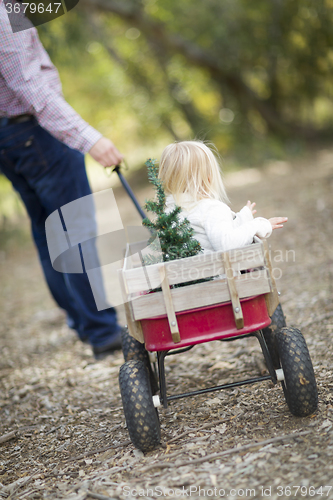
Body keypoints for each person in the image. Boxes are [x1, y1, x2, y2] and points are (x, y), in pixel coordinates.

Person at [0, 1, 124, 359]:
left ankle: (84, 324)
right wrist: (90, 139)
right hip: (34, 132)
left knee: (47, 232)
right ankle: (101, 331)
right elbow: (31, 87)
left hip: (9, 139)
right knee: (75, 230)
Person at [158, 140, 288, 252]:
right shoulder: (210, 209)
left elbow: (214, 235)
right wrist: (257, 225)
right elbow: (226, 244)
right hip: (219, 278)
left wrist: (243, 218)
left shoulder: (168, 214)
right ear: (208, 177)